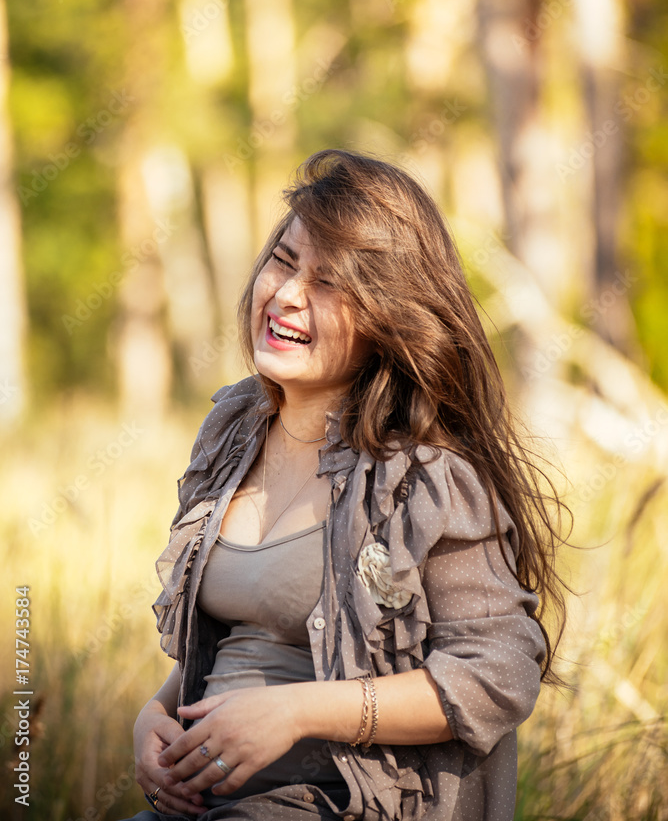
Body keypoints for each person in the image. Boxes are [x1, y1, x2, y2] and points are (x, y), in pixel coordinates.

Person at [122, 148, 566, 821]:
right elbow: (245, 629)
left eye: (330, 283)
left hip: (345, 804)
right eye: (284, 259)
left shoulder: (426, 478)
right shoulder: (232, 431)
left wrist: (298, 711)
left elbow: (497, 673)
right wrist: (154, 715)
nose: (288, 294)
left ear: (389, 319)